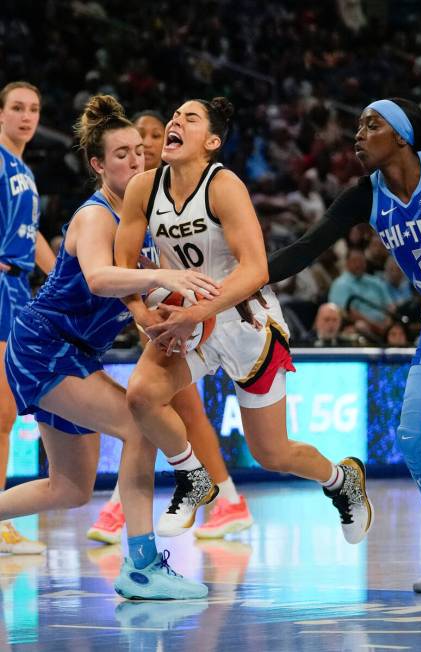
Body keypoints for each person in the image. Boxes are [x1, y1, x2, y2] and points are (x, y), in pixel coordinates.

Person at [114, 96, 373, 546]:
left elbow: (255, 269)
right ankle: (193, 477)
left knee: (272, 452)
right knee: (141, 396)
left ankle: (341, 480)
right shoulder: (143, 188)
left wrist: (197, 310)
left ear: (211, 141)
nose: (176, 121)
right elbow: (123, 263)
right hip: (187, 323)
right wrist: (142, 316)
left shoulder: (223, 185)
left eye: (188, 118)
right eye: (175, 115)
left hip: (246, 322)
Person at [2, 94, 221, 600]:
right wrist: (167, 274)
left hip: (74, 352)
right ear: (98, 165)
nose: (135, 160)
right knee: (139, 425)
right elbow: (100, 279)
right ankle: (142, 565)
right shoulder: (97, 216)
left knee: (71, 490)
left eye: (138, 153)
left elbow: (135, 295)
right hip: (44, 345)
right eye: (120, 154)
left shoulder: (142, 220)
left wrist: (164, 317)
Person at [268, 97, 421, 593]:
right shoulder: (365, 196)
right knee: (411, 435)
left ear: (402, 136)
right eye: (358, 124)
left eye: (371, 125)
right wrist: (236, 278)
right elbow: (302, 250)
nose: (357, 134)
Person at [88, 109, 253, 545]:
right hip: (147, 318)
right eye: (130, 148)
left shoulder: (179, 192)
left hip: (185, 317)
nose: (140, 155)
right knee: (167, 410)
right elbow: (117, 274)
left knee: (174, 409)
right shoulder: (118, 204)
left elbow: (183, 265)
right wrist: (145, 308)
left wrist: (166, 304)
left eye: (146, 145)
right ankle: (223, 498)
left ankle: (128, 506)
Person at [0, 81, 56, 554]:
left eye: (33, 109)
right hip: (2, 283)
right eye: (17, 108)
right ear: (0, 114)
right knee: (1, 413)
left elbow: (33, 235)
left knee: (3, 414)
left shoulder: (23, 170)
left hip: (18, 288)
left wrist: (65, 278)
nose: (26, 116)